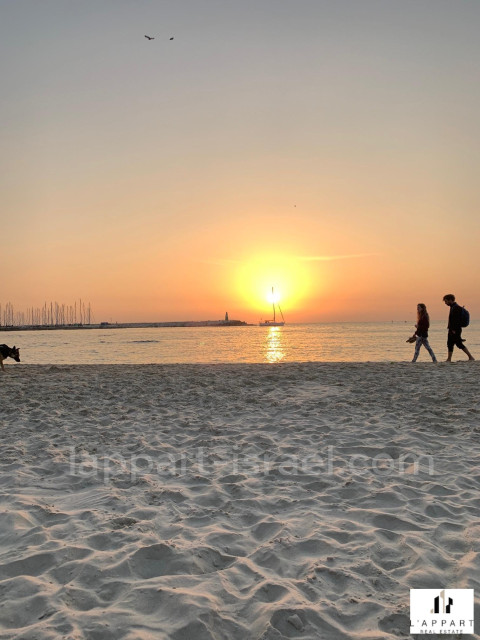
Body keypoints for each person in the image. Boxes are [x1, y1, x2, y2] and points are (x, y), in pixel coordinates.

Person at [443, 294, 475, 362]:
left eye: (446, 301)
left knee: (458, 344)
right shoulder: (453, 307)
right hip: (452, 329)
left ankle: (471, 357)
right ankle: (449, 359)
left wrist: (454, 330)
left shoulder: (456, 308)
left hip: (455, 329)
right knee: (450, 343)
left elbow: (456, 320)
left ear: (450, 300)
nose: (445, 303)